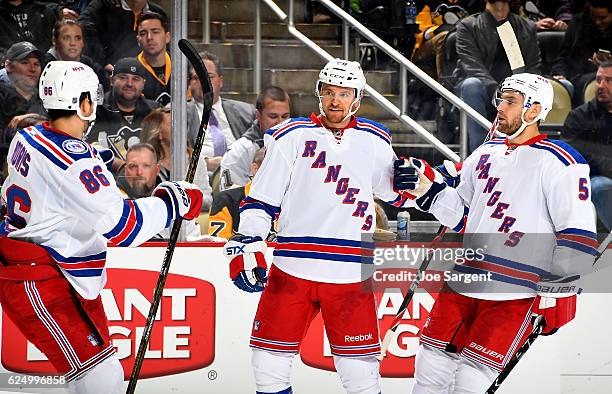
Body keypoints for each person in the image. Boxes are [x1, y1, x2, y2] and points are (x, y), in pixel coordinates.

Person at [0, 60, 202, 392]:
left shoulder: (28, 136)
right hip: (45, 278)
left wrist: (94, 163)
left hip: (46, 271)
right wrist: (173, 202)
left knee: (93, 375)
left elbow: (57, 173)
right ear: (82, 103)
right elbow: (124, 228)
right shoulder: (77, 162)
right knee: (100, 377)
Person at [394, 73, 597, 393]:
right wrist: (424, 188)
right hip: (465, 278)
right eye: (500, 99)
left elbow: (578, 230)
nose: (500, 107)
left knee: (471, 382)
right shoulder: (485, 154)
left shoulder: (561, 161)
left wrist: (560, 287)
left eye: (510, 101)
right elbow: (461, 215)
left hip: (515, 291)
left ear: (534, 111)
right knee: (430, 368)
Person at [223, 58, 417, 394]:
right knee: (267, 364)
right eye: (329, 91)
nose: (335, 100)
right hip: (292, 267)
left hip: (349, 273)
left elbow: (399, 197)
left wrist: (411, 182)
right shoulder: (290, 136)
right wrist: (248, 242)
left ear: (357, 96)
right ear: (319, 93)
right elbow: (261, 199)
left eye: (344, 93)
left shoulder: (374, 140)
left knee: (361, 377)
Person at [454, 0, 541, 153]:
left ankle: (528, 153)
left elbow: (533, 65)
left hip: (517, 91)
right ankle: (481, 155)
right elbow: (473, 66)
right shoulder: (468, 25)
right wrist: (499, 91)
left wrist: (519, 91)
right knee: (471, 85)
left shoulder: (527, 26)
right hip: (482, 89)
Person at [562, 60, 612, 231]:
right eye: (599, 80)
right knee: (600, 185)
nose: (601, 85)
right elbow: (575, 154)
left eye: (608, 80)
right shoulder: (578, 117)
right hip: (593, 178)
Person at [188, 51, 256, 173]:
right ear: (189, 83)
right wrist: (204, 164)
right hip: (201, 178)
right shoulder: (178, 115)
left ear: (221, 81)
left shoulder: (246, 112)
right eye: (196, 78)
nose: (203, 82)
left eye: (209, 76)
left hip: (241, 176)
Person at [86, 57, 159, 165]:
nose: (129, 83)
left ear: (143, 84)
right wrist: (120, 166)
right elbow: (86, 148)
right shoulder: (96, 110)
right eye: (123, 77)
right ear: (111, 81)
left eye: (136, 79)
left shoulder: (154, 112)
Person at [218, 86, 290, 190]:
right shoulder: (238, 152)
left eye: (285, 116)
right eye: (273, 117)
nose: (280, 123)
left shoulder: (299, 147)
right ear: (258, 115)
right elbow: (229, 196)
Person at [143, 107, 213, 211]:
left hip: (187, 222)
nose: (180, 128)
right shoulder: (145, 161)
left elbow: (207, 200)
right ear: (159, 134)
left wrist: (183, 200)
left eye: (182, 124)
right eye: (172, 124)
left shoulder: (195, 159)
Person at [78, 0, 166, 73]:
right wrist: (103, 63)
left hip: (146, 77)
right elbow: (82, 28)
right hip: (107, 75)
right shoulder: (103, 5)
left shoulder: (158, 12)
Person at [551, 0, 612, 102]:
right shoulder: (578, 23)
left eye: (603, 18)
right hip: (574, 78)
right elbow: (563, 57)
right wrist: (560, 74)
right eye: (593, 16)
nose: (597, 22)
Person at [209, 147, 265, 240]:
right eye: (272, 169)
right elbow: (218, 247)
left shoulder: (290, 202)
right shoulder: (225, 200)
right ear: (255, 169)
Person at [43, 19, 108, 91]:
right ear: (54, 41)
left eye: (78, 38)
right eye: (67, 38)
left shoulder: (91, 67)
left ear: (83, 42)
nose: (73, 43)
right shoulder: (43, 67)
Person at [136, 11, 171, 106]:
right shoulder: (131, 70)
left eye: (155, 32)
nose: (149, 37)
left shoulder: (183, 65)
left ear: (167, 37)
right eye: (143, 33)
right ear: (138, 40)